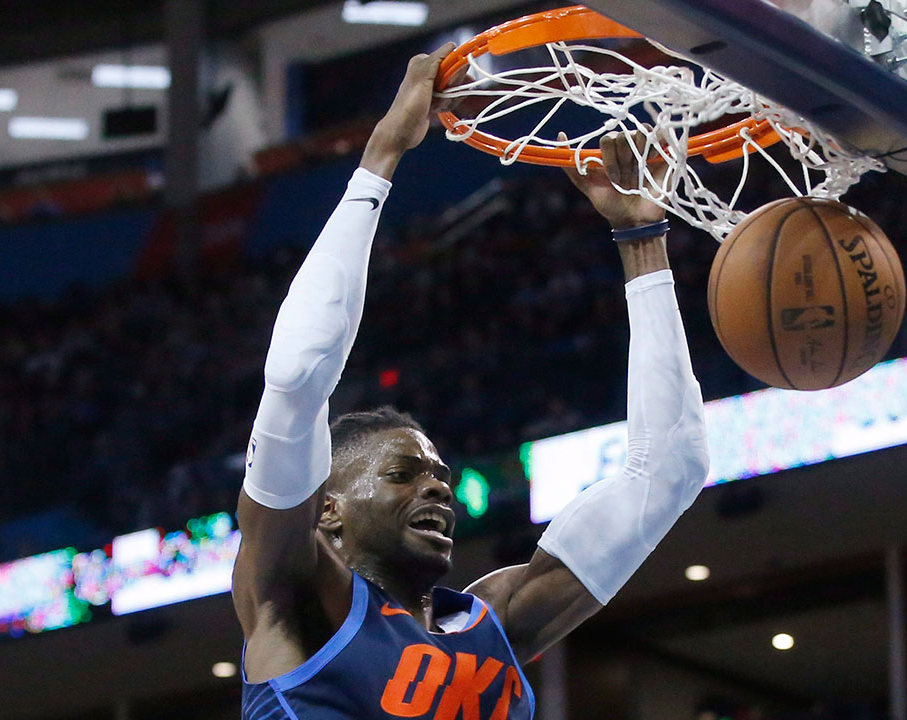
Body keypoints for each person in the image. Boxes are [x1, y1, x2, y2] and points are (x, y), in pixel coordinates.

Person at [233, 43, 711, 720]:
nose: (436, 485)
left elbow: (672, 468)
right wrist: (381, 159)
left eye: (439, 476)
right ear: (327, 510)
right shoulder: (294, 595)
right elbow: (296, 372)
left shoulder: (495, 624)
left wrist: (642, 238)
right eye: (402, 473)